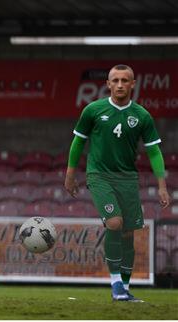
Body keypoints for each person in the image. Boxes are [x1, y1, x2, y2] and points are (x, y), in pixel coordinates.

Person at [64, 64, 170, 302]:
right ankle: (115, 284)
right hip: (99, 175)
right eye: (115, 80)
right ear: (108, 84)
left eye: (125, 80)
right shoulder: (93, 110)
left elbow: (154, 152)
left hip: (128, 178)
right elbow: (78, 142)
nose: (120, 84)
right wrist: (70, 174)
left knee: (128, 234)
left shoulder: (142, 116)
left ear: (133, 84)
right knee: (114, 223)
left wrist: (162, 185)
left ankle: (124, 287)